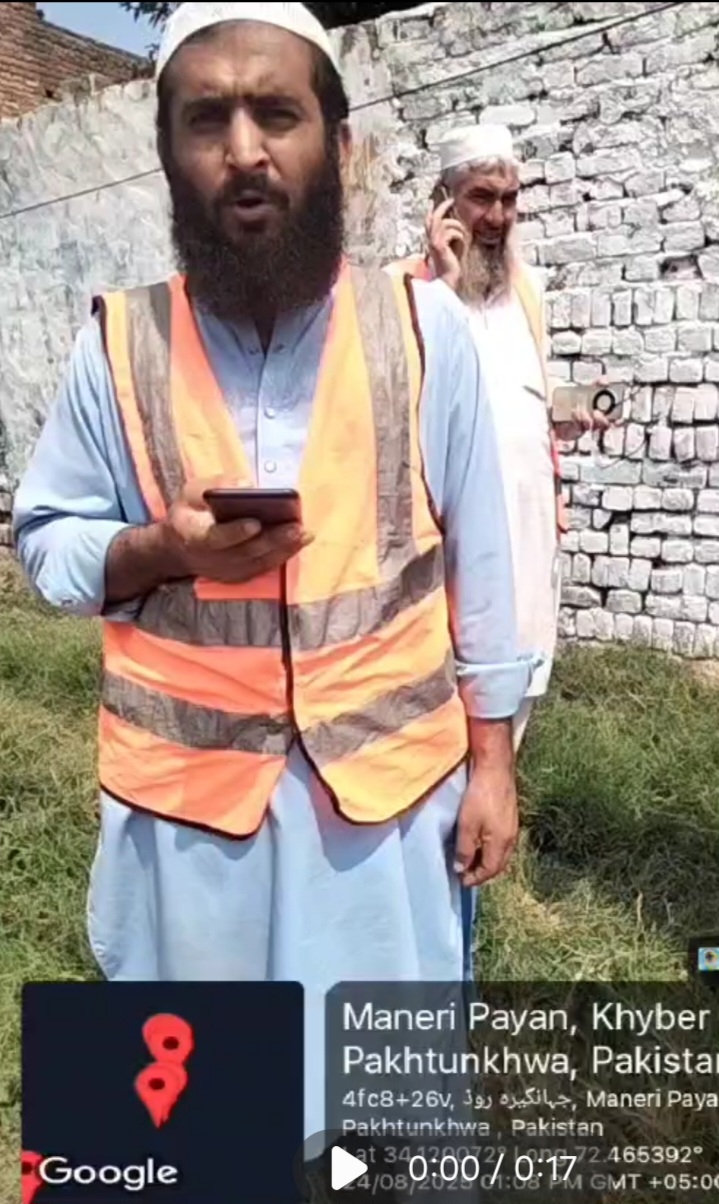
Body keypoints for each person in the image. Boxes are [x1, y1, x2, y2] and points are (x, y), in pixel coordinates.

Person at [12, 1, 532, 1139]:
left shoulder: (424, 334)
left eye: (276, 115)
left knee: (386, 1116)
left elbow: (486, 568)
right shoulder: (116, 344)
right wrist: (159, 550)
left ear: (336, 145)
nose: (243, 150)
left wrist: (492, 766)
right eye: (207, 120)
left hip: (384, 816)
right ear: (168, 152)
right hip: (190, 823)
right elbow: (46, 539)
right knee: (193, 1122)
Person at [387, 124, 611, 751]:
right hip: (450, 543)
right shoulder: (404, 291)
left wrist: (564, 414)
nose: (498, 216)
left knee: (514, 705)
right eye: (482, 197)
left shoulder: (527, 289)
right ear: (443, 201)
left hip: (529, 532)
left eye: (509, 199)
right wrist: (445, 284)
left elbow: (518, 401)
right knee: (440, 710)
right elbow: (407, 408)